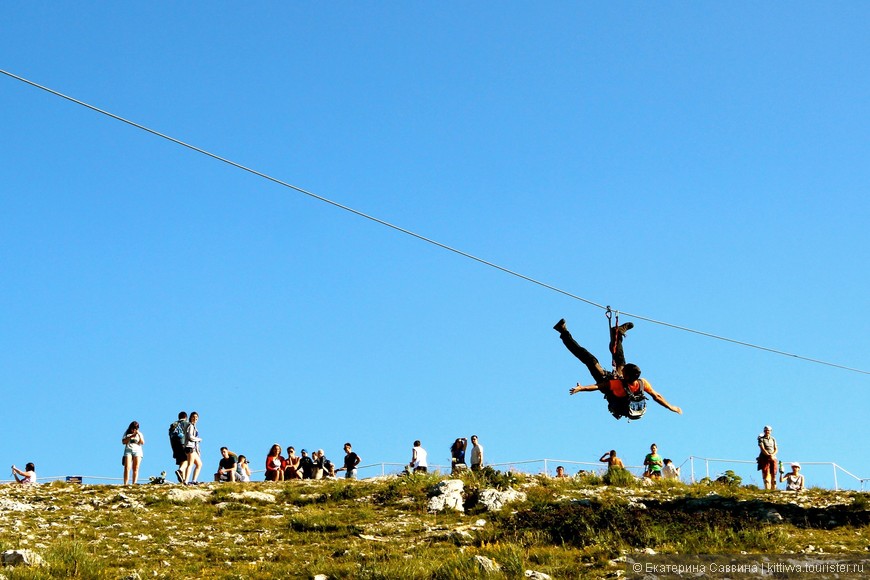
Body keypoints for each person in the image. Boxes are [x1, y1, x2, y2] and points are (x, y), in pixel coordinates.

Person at [554, 318, 682, 420]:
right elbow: (657, 396)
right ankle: (617, 332)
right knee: (620, 358)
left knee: (589, 359)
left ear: (627, 376)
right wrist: (672, 407)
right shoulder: (642, 383)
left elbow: (598, 386)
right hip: (620, 385)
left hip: (606, 384)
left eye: (625, 370)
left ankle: (563, 332)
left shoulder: (616, 384)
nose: (623, 369)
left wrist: (582, 388)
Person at [122, 421, 145, 486]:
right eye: (133, 428)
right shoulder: (127, 433)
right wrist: (131, 436)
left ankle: (134, 483)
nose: (134, 430)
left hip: (137, 451)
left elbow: (142, 442)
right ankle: (125, 483)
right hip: (128, 450)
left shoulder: (139, 433)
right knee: (127, 467)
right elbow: (123, 441)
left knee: (136, 467)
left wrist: (138, 435)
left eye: (136, 428)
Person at [182, 412, 203, 485]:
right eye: (193, 417)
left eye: (196, 417)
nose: (195, 418)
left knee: (199, 464)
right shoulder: (190, 426)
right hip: (190, 447)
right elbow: (190, 437)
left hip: (193, 448)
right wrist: (198, 439)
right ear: (191, 417)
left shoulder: (194, 427)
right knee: (190, 464)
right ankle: (186, 481)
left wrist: (198, 451)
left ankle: (194, 480)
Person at [169, 411, 190, 483]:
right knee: (187, 460)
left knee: (181, 461)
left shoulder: (173, 425)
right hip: (183, 444)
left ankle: (182, 479)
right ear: (186, 417)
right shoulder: (187, 424)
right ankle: (180, 471)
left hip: (175, 445)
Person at [757, 425, 778, 490]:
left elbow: (776, 448)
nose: (767, 431)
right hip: (765, 457)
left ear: (771, 431)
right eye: (765, 430)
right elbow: (762, 448)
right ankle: (767, 488)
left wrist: (773, 454)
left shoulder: (773, 439)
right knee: (766, 472)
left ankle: (774, 488)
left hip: (773, 457)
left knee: (774, 472)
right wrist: (768, 455)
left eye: (768, 430)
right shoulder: (761, 439)